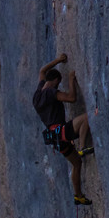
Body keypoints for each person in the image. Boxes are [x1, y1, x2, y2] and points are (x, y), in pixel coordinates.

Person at [33, 52, 94, 206]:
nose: (58, 86)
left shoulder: (37, 95)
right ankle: (82, 147)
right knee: (86, 118)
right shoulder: (51, 93)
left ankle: (78, 195)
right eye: (58, 83)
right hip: (63, 131)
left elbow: (42, 71)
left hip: (56, 139)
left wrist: (59, 60)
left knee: (77, 164)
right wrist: (71, 80)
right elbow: (71, 98)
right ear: (55, 81)